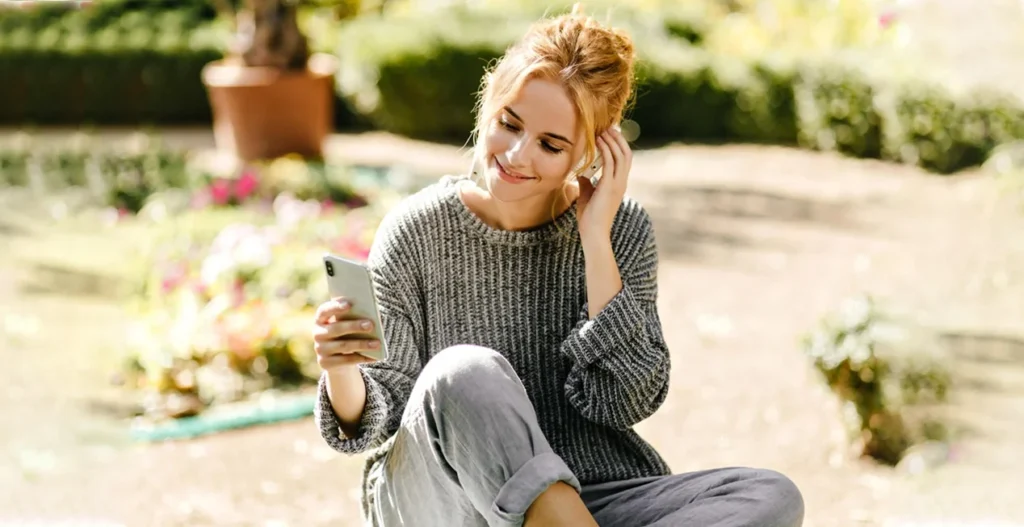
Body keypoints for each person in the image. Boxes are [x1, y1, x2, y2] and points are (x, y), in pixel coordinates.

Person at [312, 7, 805, 527]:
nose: (519, 154)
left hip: (595, 493)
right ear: (488, 105)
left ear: (590, 154)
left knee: (769, 495)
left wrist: (596, 238)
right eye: (510, 123)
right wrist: (341, 369)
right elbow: (376, 424)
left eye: (552, 145)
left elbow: (626, 399)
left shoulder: (620, 229)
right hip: (447, 503)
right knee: (462, 374)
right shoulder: (415, 230)